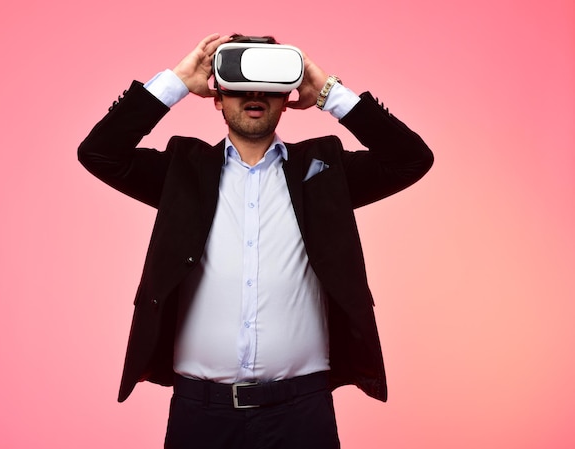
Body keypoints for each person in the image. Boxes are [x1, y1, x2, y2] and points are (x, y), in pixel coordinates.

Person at [78, 33, 434, 449]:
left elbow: (412, 159)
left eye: (268, 84)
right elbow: (99, 153)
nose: (254, 94)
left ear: (286, 98)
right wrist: (175, 82)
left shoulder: (323, 174)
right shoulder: (182, 173)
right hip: (201, 413)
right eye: (239, 82)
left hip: (301, 412)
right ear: (217, 97)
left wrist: (327, 92)